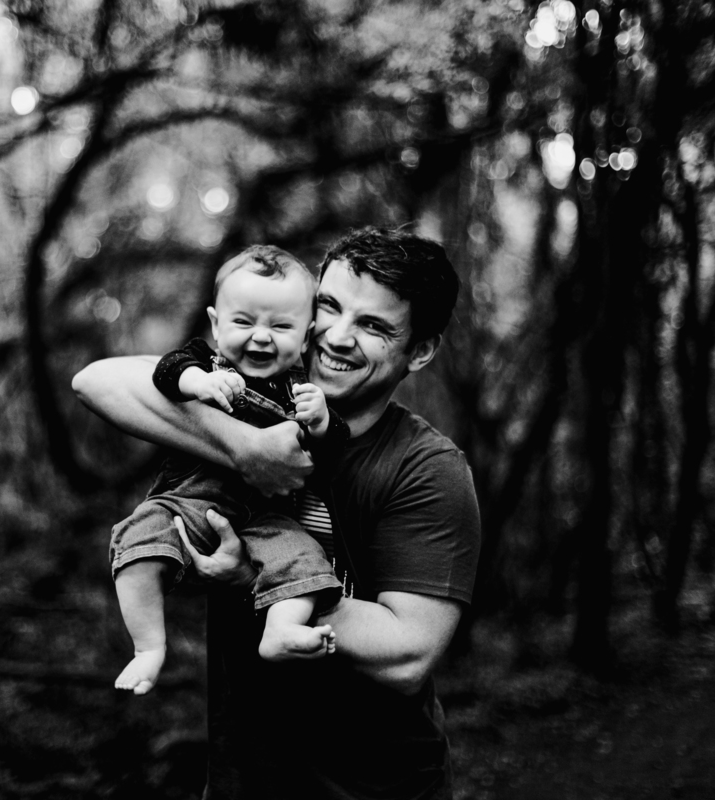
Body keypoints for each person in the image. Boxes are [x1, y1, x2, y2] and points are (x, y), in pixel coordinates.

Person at [72, 227, 481, 800]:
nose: (337, 338)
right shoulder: (245, 397)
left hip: (371, 788)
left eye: (374, 326)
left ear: (420, 350)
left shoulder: (427, 469)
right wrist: (243, 446)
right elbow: (97, 381)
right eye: (330, 308)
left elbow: (408, 654)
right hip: (245, 780)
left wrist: (253, 580)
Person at [108, 245, 349, 696]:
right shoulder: (205, 362)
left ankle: (280, 630)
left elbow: (334, 447)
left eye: (281, 326)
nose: (261, 337)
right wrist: (198, 382)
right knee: (137, 542)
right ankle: (148, 647)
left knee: (302, 560)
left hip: (266, 516)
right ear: (217, 324)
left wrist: (321, 420)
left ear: (307, 335)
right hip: (188, 499)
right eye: (243, 322)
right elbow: (167, 371)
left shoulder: (301, 386)